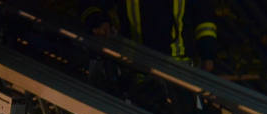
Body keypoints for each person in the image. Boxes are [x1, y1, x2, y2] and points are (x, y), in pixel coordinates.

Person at [81, 0, 218, 71]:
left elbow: (204, 17)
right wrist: (98, 21)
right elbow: (91, 5)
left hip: (178, 71)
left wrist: (208, 54)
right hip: (132, 70)